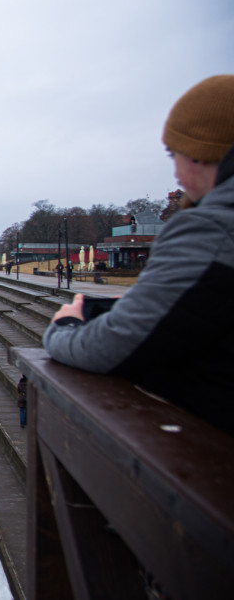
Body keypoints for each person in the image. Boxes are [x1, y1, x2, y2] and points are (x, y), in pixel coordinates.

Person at [42, 75, 234, 435]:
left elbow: (110, 347)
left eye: (172, 155)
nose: (175, 174)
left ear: (201, 153)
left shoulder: (211, 230)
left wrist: (65, 324)